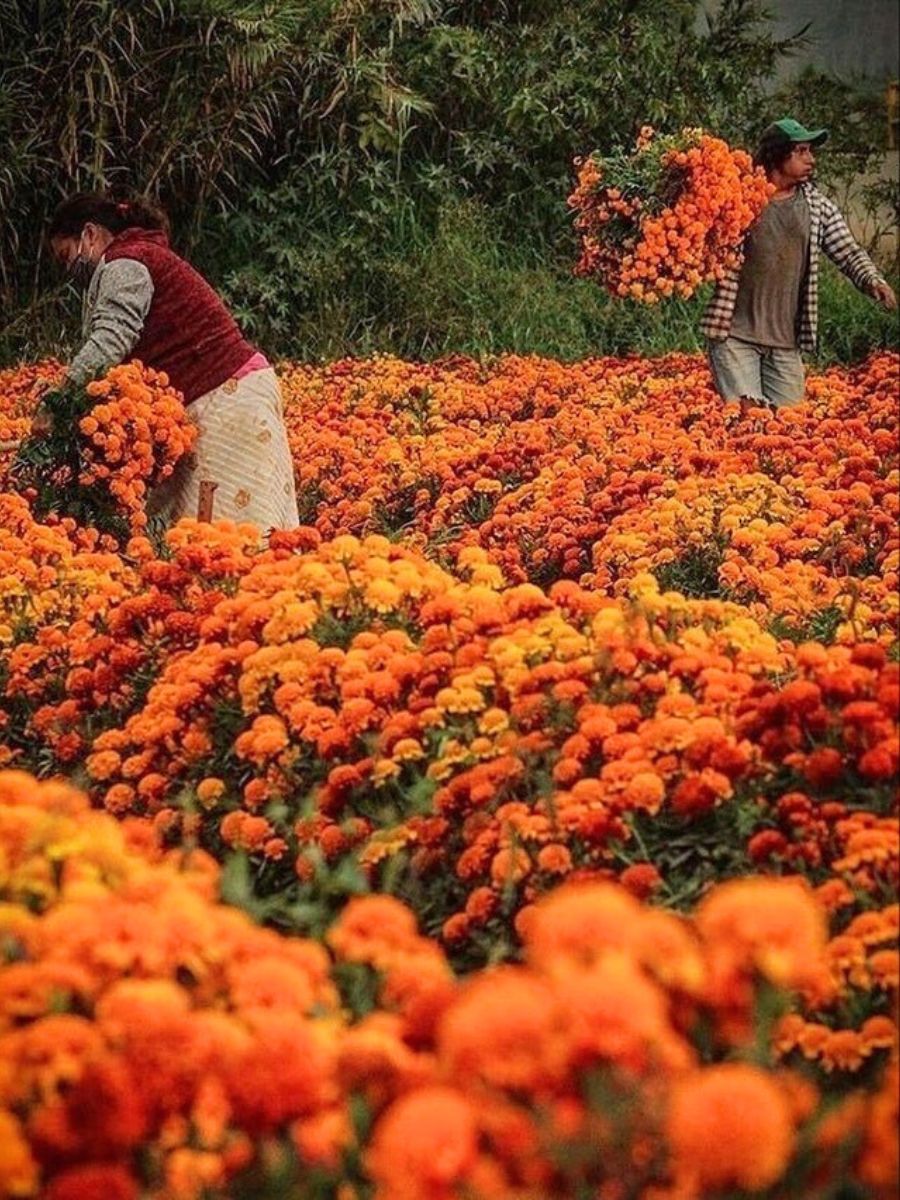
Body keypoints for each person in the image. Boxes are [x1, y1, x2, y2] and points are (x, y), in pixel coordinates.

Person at [45, 192, 300, 533]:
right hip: (222, 395)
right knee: (189, 529)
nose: (69, 269)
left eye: (66, 257)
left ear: (89, 234)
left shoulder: (125, 264)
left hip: (226, 400)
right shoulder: (136, 255)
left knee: (227, 534)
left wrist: (60, 401)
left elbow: (111, 338)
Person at [702, 117, 897, 413]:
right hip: (734, 336)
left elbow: (847, 251)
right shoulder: (740, 199)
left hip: (785, 341)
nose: (811, 160)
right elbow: (697, 234)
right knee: (749, 421)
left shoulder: (816, 206)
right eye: (802, 151)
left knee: (790, 427)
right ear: (777, 155)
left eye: (810, 151)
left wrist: (873, 280)